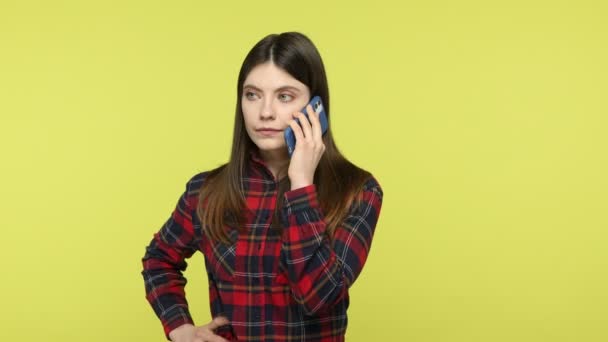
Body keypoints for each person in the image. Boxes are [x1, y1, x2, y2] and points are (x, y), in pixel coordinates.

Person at [141, 31, 384, 342]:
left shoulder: (357, 191)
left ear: (315, 107)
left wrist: (301, 186)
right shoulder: (205, 191)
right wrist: (181, 329)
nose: (265, 112)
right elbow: (158, 260)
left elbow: (319, 297)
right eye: (252, 94)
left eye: (285, 96)